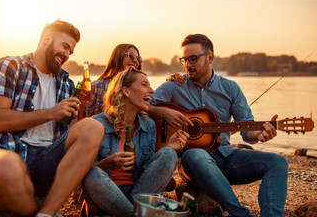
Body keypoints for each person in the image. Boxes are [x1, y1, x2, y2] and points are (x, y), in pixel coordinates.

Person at [148, 34, 288, 217]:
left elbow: (247, 128)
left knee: (278, 162)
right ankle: (242, 215)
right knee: (196, 154)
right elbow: (144, 108)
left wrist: (259, 135)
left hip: (227, 157)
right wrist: (164, 112)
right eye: (184, 60)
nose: (188, 65)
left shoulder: (230, 88)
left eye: (193, 59)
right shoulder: (174, 86)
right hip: (191, 162)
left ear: (210, 57)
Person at [0, 20, 103, 217]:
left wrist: (77, 120)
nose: (67, 55)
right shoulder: (10, 66)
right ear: (46, 39)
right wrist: (52, 112)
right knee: (4, 166)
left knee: (93, 127)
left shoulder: (66, 83)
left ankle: (45, 214)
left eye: (71, 52)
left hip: (48, 161)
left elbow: (69, 133)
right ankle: (41, 212)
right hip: (7, 152)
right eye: (65, 46)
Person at [81, 67, 189, 217]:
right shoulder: (96, 124)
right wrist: (109, 162)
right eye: (144, 85)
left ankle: (131, 212)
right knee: (92, 172)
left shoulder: (148, 124)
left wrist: (170, 147)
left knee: (169, 153)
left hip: (138, 192)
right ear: (126, 91)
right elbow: (85, 175)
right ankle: (137, 213)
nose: (151, 90)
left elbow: (146, 172)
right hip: (106, 194)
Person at [86, 44, 142, 117]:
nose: (135, 61)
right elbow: (86, 117)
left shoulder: (140, 89)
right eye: (131, 55)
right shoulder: (97, 87)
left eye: (138, 58)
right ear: (118, 57)